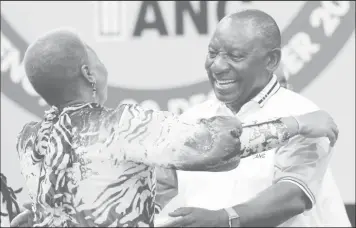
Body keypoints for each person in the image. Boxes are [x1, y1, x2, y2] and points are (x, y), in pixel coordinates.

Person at [11, 29, 338, 227]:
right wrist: (296, 124)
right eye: (96, 58)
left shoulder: (29, 139)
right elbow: (219, 147)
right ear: (88, 73)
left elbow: (87, 200)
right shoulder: (120, 125)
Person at [156, 9, 351, 227]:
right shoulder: (190, 120)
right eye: (212, 53)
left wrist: (224, 219)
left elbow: (292, 197)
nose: (218, 66)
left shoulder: (304, 114)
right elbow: (160, 192)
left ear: (271, 60)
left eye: (235, 56)